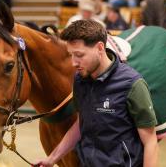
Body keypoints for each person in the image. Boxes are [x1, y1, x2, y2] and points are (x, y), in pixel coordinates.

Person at [33, 19, 158, 167]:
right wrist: (51, 159)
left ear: (100, 48)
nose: (74, 62)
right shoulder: (80, 80)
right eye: (71, 55)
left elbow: (150, 142)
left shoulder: (132, 84)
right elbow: (81, 123)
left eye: (79, 55)